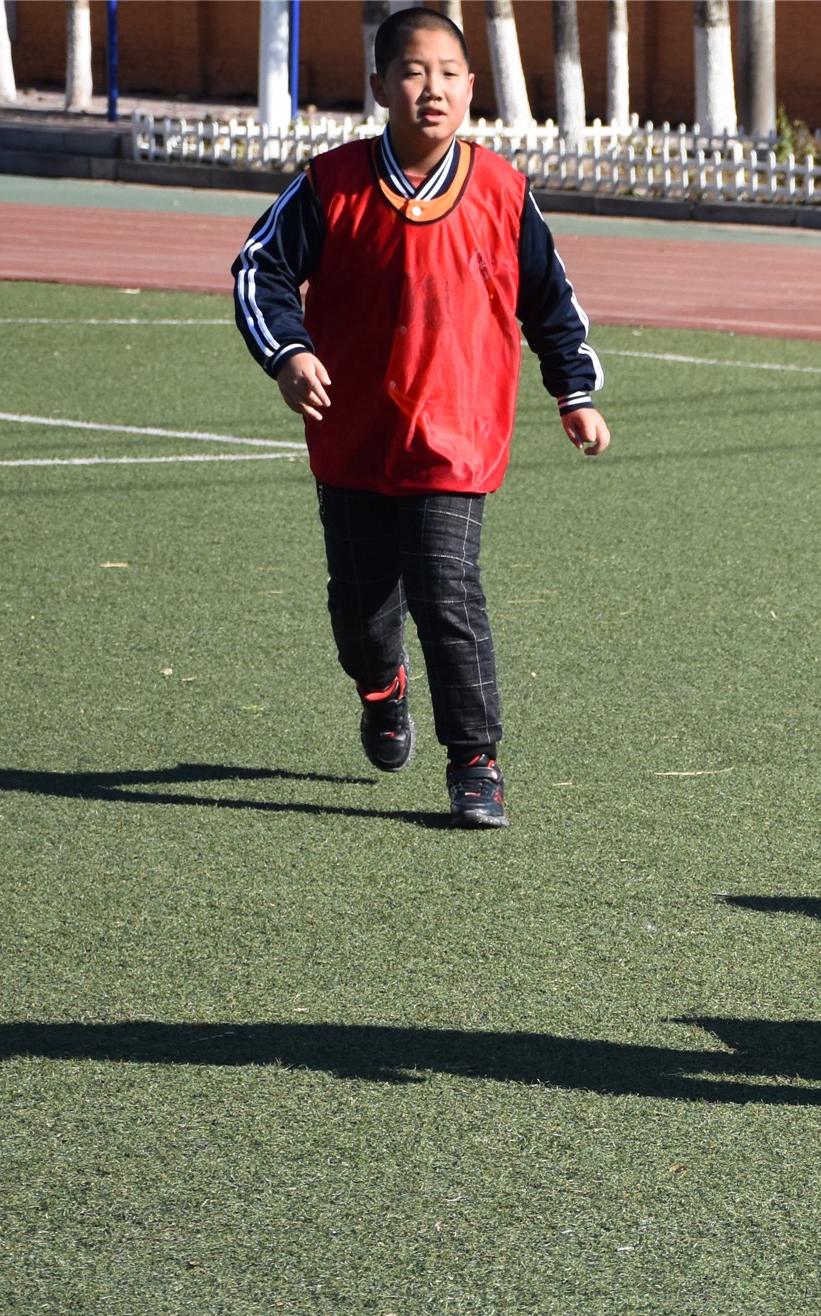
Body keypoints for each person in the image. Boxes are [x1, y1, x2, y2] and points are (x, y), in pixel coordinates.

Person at [231, 5, 607, 830]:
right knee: (362, 619)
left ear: (471, 88)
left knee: (446, 589)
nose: (429, 88)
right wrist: (289, 354)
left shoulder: (504, 192)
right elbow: (257, 273)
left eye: (446, 73)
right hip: (356, 437)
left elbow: (550, 301)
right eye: (411, 71)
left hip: (454, 437)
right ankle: (382, 689)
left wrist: (573, 390)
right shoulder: (330, 185)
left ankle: (475, 761)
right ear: (379, 86)